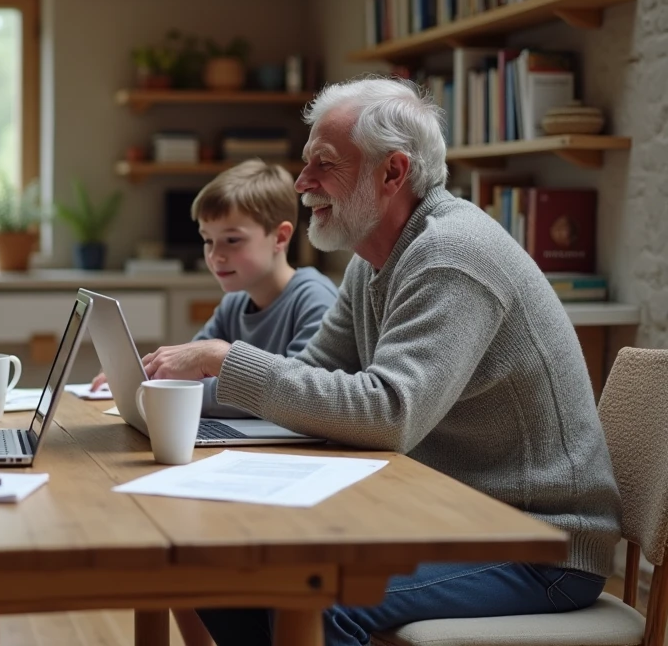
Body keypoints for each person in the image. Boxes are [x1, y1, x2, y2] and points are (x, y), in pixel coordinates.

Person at [138, 77, 622, 645]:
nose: (301, 183)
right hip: (448, 518)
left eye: (324, 164)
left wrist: (225, 359)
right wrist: (173, 388)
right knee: (218, 569)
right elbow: (310, 377)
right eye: (305, 163)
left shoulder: (450, 255)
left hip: (538, 544)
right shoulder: (373, 260)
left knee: (321, 600)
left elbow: (389, 413)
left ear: (392, 172)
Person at [92, 159, 338, 646]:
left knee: (188, 543)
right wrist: (146, 376)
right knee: (173, 546)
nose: (215, 255)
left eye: (232, 239)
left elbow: (285, 393)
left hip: (292, 474)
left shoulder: (314, 297)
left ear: (279, 236)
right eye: (207, 240)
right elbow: (192, 369)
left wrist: (170, 392)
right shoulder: (234, 304)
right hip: (245, 458)